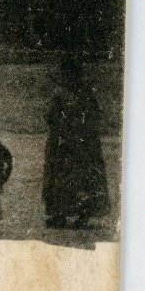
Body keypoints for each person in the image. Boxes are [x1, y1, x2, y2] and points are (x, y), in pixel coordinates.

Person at [43, 58, 111, 229]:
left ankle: (63, 214)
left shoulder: (61, 94)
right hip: (83, 142)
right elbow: (94, 116)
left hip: (65, 142)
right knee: (81, 177)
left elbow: (50, 117)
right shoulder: (85, 92)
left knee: (65, 176)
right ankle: (81, 214)